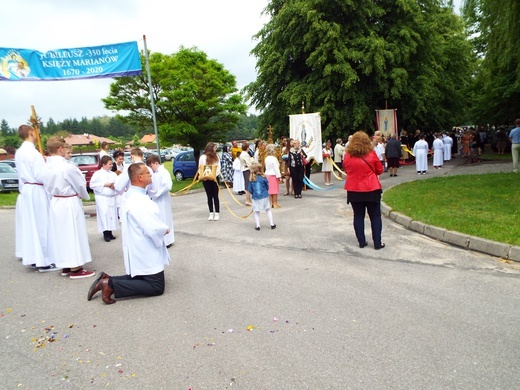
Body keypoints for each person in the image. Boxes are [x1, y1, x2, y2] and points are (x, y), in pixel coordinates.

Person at [87, 163, 170, 305]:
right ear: (140, 177)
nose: (151, 175)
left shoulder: (132, 195)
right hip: (144, 246)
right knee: (156, 287)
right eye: (147, 173)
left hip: (138, 243)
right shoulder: (139, 200)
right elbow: (151, 227)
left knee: (146, 278)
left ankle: (108, 280)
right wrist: (164, 229)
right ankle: (110, 284)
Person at [42, 136, 95, 279]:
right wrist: (84, 195)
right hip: (69, 201)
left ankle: (65, 264)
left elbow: (45, 186)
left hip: (55, 201)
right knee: (73, 233)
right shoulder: (66, 167)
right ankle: (76, 268)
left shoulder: (46, 165)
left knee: (61, 234)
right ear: (60, 149)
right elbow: (79, 184)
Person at [14, 125, 55, 271]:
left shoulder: (19, 152)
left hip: (26, 189)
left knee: (31, 225)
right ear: (31, 132)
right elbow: (40, 175)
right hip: (36, 189)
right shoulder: (34, 153)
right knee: (42, 224)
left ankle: (33, 257)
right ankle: (45, 259)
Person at [342, 131, 384, 249]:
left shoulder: (347, 156)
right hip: (371, 188)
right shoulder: (371, 154)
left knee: (358, 216)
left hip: (354, 189)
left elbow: (346, 170)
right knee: (375, 216)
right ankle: (377, 242)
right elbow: (379, 170)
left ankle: (361, 241)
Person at [146, 154, 175, 246]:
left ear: (156, 163)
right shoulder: (154, 173)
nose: (151, 168)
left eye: (151, 166)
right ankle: (161, 239)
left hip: (163, 198)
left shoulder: (163, 172)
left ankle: (167, 240)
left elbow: (167, 185)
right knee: (158, 218)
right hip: (155, 198)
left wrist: (157, 193)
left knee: (165, 218)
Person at [90, 155, 119, 242]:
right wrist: (104, 184)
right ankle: (105, 233)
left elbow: (117, 184)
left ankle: (110, 232)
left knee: (111, 215)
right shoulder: (97, 174)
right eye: (109, 164)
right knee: (104, 214)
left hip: (111, 197)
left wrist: (114, 186)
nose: (111, 166)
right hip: (102, 198)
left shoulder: (113, 174)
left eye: (111, 164)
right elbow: (92, 185)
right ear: (103, 164)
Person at [248, 163, 276, 231]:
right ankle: (272, 224)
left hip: (256, 197)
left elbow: (250, 189)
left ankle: (258, 225)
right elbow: (267, 187)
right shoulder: (263, 177)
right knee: (268, 209)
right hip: (264, 196)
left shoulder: (251, 179)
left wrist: (253, 193)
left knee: (256, 212)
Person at [199, 142, 221, 221]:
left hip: (214, 179)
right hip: (206, 179)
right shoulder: (202, 157)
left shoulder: (216, 157)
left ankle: (217, 213)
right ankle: (211, 213)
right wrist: (203, 176)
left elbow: (218, 168)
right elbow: (200, 168)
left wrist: (215, 175)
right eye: (214, 148)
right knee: (209, 196)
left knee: (215, 195)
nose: (215, 150)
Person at [264, 144, 282, 208]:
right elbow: (276, 168)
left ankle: (271, 202)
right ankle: (275, 202)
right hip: (273, 174)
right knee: (274, 190)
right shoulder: (274, 159)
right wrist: (279, 176)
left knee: (270, 190)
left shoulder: (266, 158)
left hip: (268, 174)